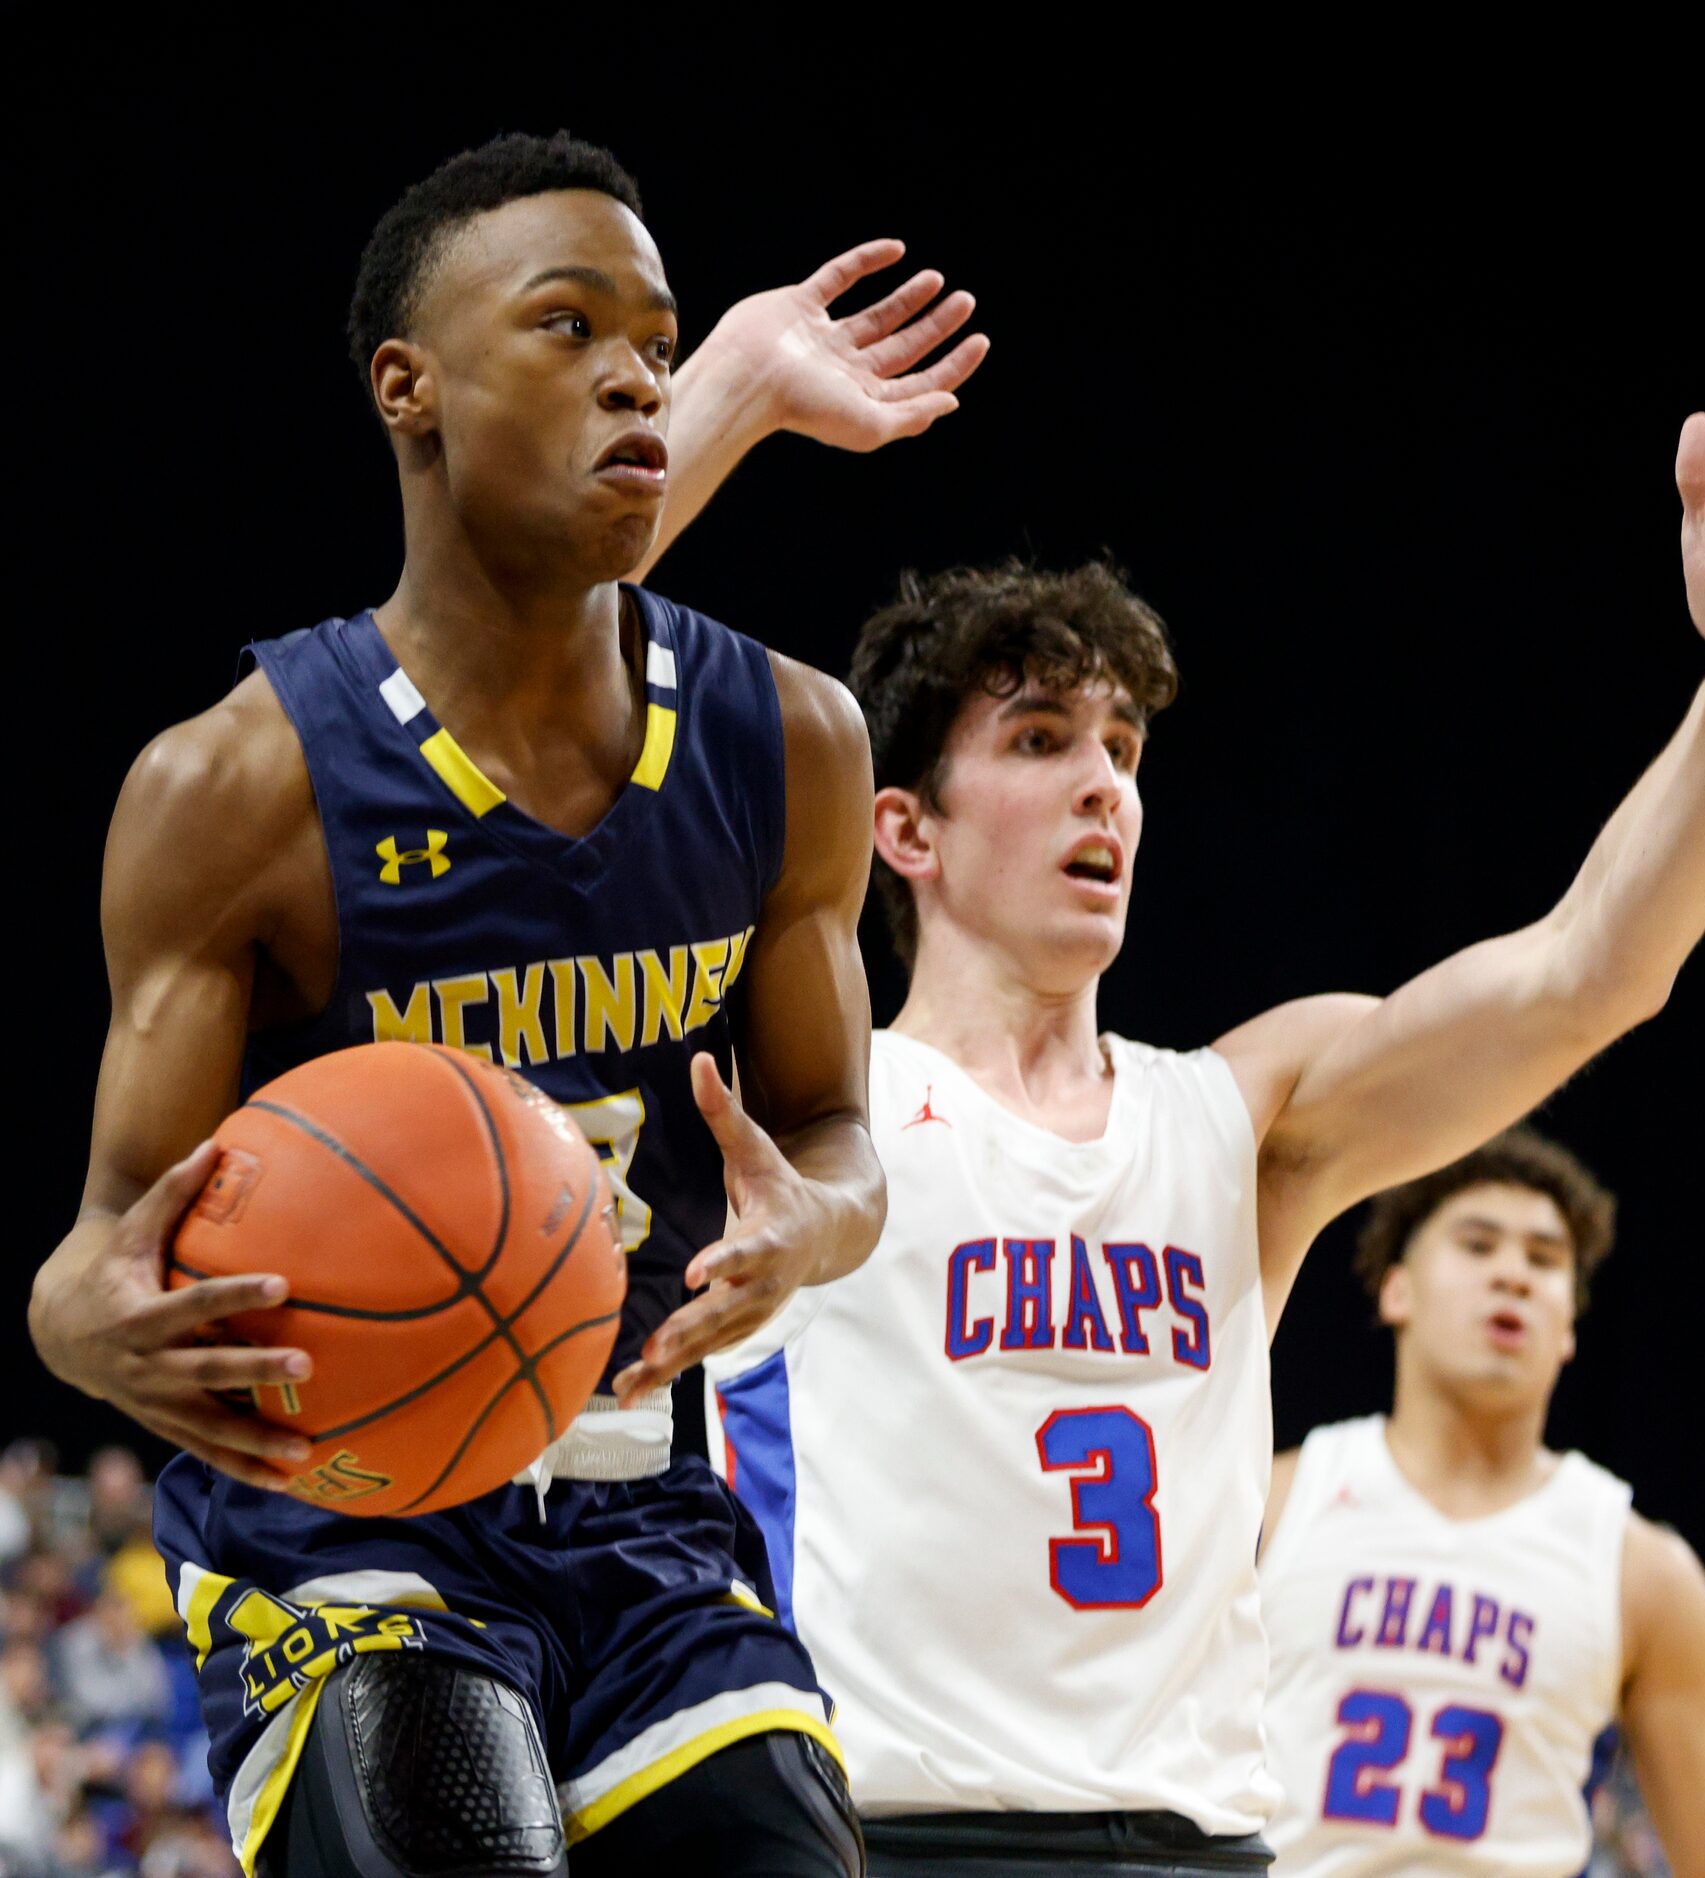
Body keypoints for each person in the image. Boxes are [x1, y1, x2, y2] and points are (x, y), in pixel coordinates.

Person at [706, 364, 1705, 1875]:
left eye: (1123, 748)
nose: (1104, 787)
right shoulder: (803, 1107)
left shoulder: (1243, 1114)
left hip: (1203, 1842)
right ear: (902, 828)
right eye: (1042, 740)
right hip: (895, 1830)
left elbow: (1585, 975)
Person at [27, 128, 987, 1877]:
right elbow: (100, 1244)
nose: (635, 371)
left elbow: (834, 1134)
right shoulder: (235, 789)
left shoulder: (794, 744)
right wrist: (85, 1320)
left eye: (661, 337)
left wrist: (815, 1222)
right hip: (347, 1518)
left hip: (642, 1510)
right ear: (409, 386)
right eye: (567, 325)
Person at [1258, 1127, 1705, 1876]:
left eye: (1544, 1259)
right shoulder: (1269, 1501)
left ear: (1569, 1327)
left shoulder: (1644, 1571)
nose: (1514, 1276)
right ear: (1395, 1288)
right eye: (1478, 1245)